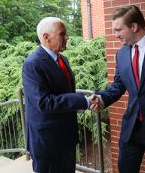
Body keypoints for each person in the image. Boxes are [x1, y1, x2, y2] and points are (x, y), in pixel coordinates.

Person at [90, 5, 145, 172]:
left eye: (118, 29)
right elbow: (118, 85)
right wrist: (102, 98)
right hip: (132, 127)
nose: (115, 34)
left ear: (134, 26)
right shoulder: (121, 54)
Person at [22, 17, 96, 173]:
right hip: (47, 142)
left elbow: (64, 92)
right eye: (62, 34)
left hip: (66, 138)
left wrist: (79, 104)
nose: (67, 37)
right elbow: (44, 102)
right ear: (46, 37)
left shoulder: (63, 59)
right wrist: (83, 102)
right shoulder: (32, 64)